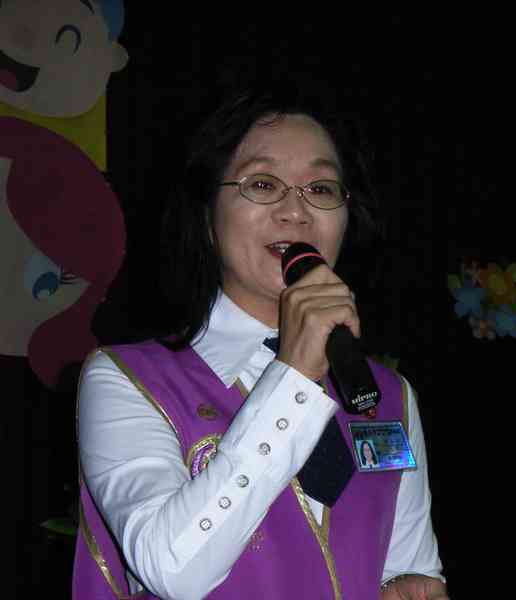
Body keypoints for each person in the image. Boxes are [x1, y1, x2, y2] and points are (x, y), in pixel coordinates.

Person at [72, 84, 448, 600]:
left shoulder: (389, 396)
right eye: (264, 183)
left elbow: (406, 566)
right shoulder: (128, 380)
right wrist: (294, 376)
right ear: (208, 217)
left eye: (321, 189)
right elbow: (171, 571)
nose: (296, 211)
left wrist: (407, 586)